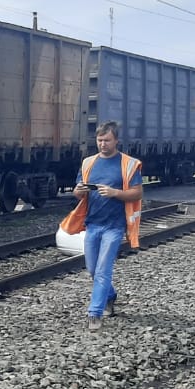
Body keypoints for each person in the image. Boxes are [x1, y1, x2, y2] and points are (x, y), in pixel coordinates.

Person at [69, 121, 143, 332]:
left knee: (103, 269)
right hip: (93, 224)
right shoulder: (88, 163)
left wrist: (115, 193)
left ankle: (95, 313)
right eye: (100, 140)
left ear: (116, 141)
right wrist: (80, 190)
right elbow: (77, 192)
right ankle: (110, 296)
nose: (103, 144)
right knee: (93, 270)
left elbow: (137, 193)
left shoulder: (128, 164)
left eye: (107, 140)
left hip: (114, 226)